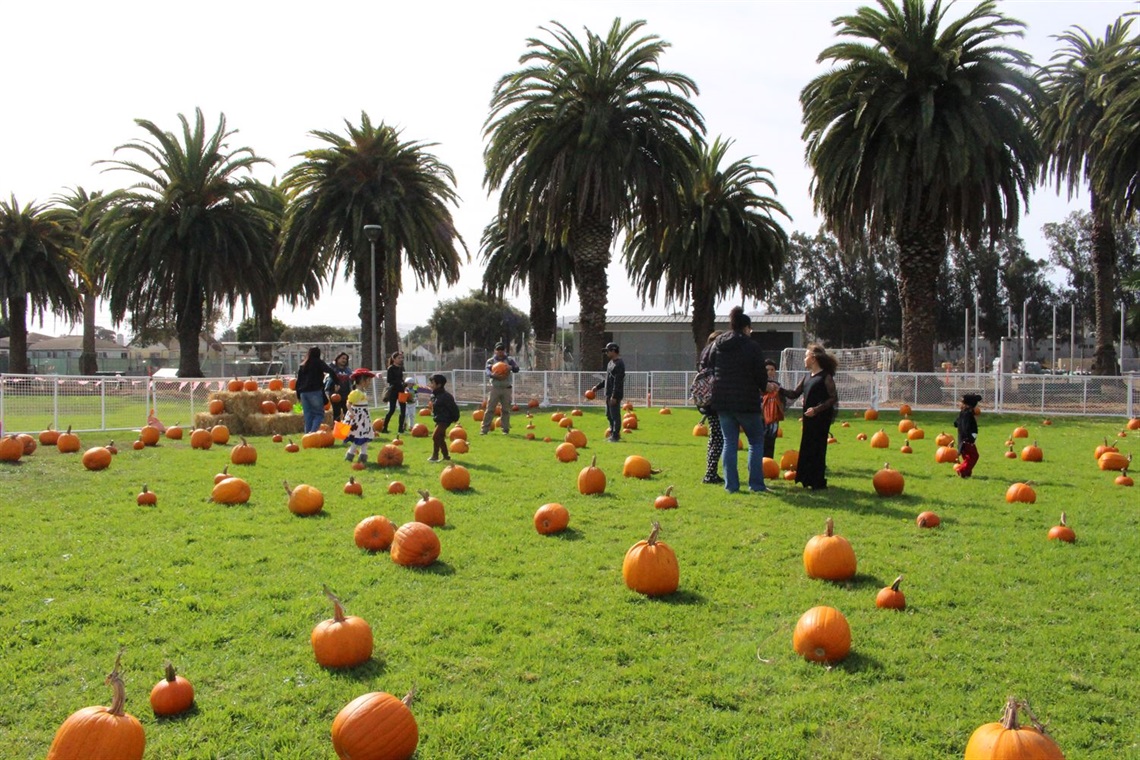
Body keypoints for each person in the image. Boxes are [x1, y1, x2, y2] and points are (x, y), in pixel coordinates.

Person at [708, 308, 772, 493]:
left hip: (723, 401)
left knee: (729, 442)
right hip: (746, 401)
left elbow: (710, 365)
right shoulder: (752, 346)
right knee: (756, 442)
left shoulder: (718, 344)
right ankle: (756, 484)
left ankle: (731, 485)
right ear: (746, 328)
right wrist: (765, 386)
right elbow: (760, 374)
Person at [781, 345, 839, 490]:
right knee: (807, 446)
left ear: (813, 358)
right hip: (808, 419)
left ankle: (817, 481)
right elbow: (794, 394)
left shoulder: (825, 377)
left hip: (820, 419)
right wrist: (779, 389)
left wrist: (816, 410)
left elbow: (833, 398)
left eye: (806, 356)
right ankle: (806, 478)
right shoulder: (807, 377)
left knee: (817, 448)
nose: (804, 359)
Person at [698, 331, 724, 484]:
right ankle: (710, 473)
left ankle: (711, 470)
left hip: (707, 400)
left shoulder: (704, 355)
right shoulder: (714, 356)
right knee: (718, 438)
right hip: (715, 401)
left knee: (714, 437)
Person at [295, 347, 338, 433]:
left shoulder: (303, 365)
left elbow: (298, 381)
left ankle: (307, 435)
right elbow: (330, 371)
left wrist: (298, 395)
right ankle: (312, 433)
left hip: (303, 393)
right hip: (314, 391)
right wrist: (337, 382)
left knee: (308, 415)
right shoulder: (318, 362)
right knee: (319, 414)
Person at [481, 342, 520, 435]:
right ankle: (484, 429)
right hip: (495, 387)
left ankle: (505, 429)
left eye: (502, 350)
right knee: (490, 409)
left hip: (506, 388)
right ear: (495, 351)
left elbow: (516, 369)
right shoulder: (491, 361)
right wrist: (493, 375)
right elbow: (487, 371)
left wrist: (511, 367)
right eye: (498, 350)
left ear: (504, 350)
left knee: (506, 410)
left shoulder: (509, 360)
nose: (500, 351)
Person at [591, 342, 626, 442]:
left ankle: (615, 435)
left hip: (614, 394)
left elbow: (618, 382)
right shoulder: (610, 363)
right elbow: (607, 379)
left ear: (614, 351)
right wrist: (598, 387)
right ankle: (612, 433)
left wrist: (614, 396)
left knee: (615, 415)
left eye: (608, 351)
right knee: (608, 415)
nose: (606, 353)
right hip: (608, 393)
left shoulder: (619, 364)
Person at [342, 368, 376, 464]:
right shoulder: (356, 392)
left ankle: (363, 455)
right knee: (359, 437)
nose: (369, 382)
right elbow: (348, 403)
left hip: (364, 418)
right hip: (358, 418)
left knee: (365, 436)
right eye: (368, 380)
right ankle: (350, 454)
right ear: (361, 380)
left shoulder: (362, 392)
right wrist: (351, 413)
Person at [426, 373, 460, 462]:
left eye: (432, 383)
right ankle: (446, 456)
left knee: (435, 436)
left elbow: (453, 408)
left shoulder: (446, 396)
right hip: (439, 419)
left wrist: (455, 418)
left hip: (445, 420)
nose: (431, 385)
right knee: (440, 437)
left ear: (439, 385)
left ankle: (435, 456)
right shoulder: (434, 395)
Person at [954, 393, 982, 477]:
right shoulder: (968, 414)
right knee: (974, 456)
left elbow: (956, 423)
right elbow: (966, 427)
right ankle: (962, 470)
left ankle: (967, 472)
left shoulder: (962, 413)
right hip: (967, 440)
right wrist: (970, 438)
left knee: (967, 457)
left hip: (962, 439)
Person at [762, 359, 785, 460]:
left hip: (773, 417)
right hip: (761, 416)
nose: (770, 372)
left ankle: (769, 462)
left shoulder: (778, 385)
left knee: (771, 441)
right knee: (760, 441)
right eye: (767, 370)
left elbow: (783, 401)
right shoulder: (760, 384)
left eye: (772, 369)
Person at [380, 351, 407, 434]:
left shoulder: (400, 368)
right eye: (399, 358)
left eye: (402, 358)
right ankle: (384, 428)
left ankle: (400, 428)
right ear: (394, 359)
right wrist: (399, 382)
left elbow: (401, 378)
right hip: (393, 391)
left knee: (403, 410)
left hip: (401, 391)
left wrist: (404, 383)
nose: (401, 359)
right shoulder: (390, 368)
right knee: (392, 410)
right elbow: (389, 380)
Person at [326, 352, 353, 422]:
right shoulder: (332, 368)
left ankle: (347, 427)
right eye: (343, 358)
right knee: (337, 413)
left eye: (346, 359)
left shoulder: (348, 370)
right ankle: (337, 427)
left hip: (346, 394)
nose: (344, 360)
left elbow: (352, 380)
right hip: (335, 394)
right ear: (337, 358)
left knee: (347, 413)